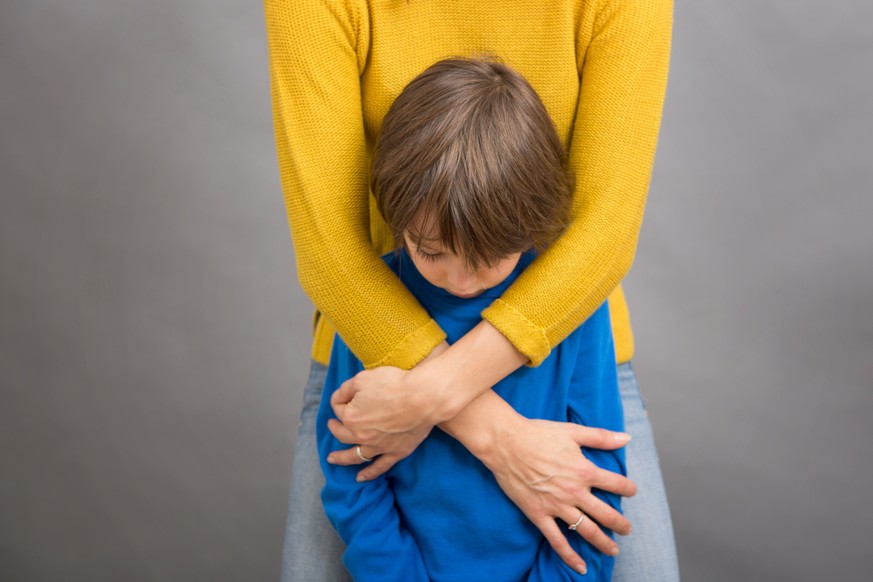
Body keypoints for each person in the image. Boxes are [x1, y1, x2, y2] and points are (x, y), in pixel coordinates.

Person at [263, 0, 679, 580]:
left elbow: (604, 234)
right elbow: (328, 250)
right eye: (436, 253)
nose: (461, 277)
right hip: (374, 344)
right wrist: (499, 435)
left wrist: (428, 397)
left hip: (562, 345)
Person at [319, 57, 626, 581]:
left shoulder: (575, 304)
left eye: (486, 259)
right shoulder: (374, 300)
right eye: (430, 252)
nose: (460, 282)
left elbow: (597, 483)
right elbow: (349, 477)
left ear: (531, 221)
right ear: (396, 216)